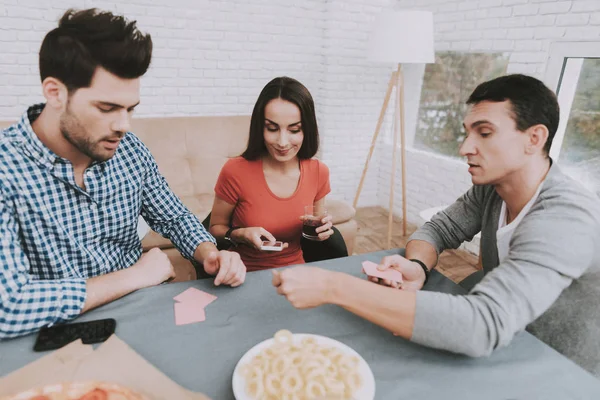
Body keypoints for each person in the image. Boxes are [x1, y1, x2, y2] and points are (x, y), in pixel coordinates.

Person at [272, 74, 600, 373]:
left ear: (534, 138)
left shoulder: (567, 216)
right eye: (467, 133)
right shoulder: (491, 191)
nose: (464, 148)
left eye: (484, 133)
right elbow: (439, 230)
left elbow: (482, 325)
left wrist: (334, 287)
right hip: (508, 346)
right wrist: (417, 265)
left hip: (563, 368)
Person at [0, 8, 246, 340]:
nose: (123, 126)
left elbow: (172, 215)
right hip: (55, 334)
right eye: (107, 108)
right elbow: (9, 306)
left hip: (141, 316)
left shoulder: (129, 150)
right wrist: (136, 276)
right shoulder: (6, 168)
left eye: (129, 109)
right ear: (55, 93)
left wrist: (209, 252)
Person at [209, 77, 343, 272]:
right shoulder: (235, 171)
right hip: (243, 274)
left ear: (307, 129)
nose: (282, 142)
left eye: (294, 130)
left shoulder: (318, 172)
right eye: (272, 128)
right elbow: (215, 229)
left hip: (297, 273)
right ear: (259, 127)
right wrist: (240, 234)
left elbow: (314, 229)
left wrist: (324, 229)